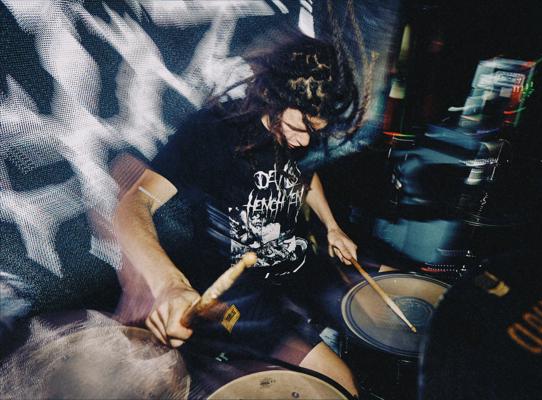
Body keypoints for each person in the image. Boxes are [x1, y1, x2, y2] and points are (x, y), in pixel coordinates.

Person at [113, 35, 364, 396]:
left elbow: (304, 175)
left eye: (316, 133)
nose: (305, 142)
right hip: (234, 301)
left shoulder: (295, 134)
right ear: (274, 95)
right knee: (339, 383)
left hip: (289, 280)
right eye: (301, 129)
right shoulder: (213, 131)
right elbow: (133, 206)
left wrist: (332, 227)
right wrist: (169, 284)